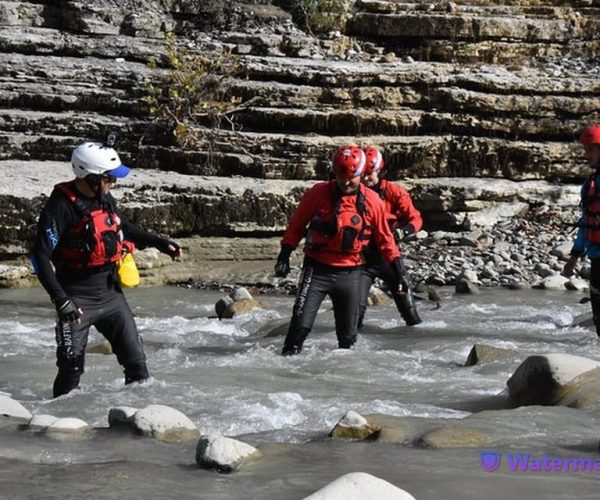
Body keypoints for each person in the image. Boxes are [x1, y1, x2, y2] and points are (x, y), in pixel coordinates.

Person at [31, 141, 182, 397]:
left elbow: (124, 228)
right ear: (90, 177)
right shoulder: (60, 208)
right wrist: (62, 302)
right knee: (71, 371)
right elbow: (39, 256)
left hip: (111, 295)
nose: (113, 183)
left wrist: (160, 243)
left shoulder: (104, 198)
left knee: (137, 366)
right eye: (109, 178)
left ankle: (133, 427)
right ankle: (54, 428)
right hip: (76, 299)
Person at [274, 145, 412, 355]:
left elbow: (386, 240)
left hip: (351, 273)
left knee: (348, 341)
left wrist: (400, 273)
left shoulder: (373, 201)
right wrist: (284, 254)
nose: (346, 183)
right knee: (299, 328)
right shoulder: (318, 193)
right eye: (340, 177)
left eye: (351, 178)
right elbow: (297, 225)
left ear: (361, 173)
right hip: (317, 270)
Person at [358, 146, 423, 327]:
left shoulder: (394, 192)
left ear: (379, 171)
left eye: (369, 174)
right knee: (355, 313)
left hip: (388, 257)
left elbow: (415, 218)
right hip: (362, 259)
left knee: (409, 311)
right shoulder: (353, 193)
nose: (364, 178)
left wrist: (404, 232)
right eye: (361, 174)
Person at [563, 124, 600, 336]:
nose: (586, 155)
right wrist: (574, 257)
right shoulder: (590, 184)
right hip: (597, 259)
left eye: (590, 149)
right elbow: (586, 222)